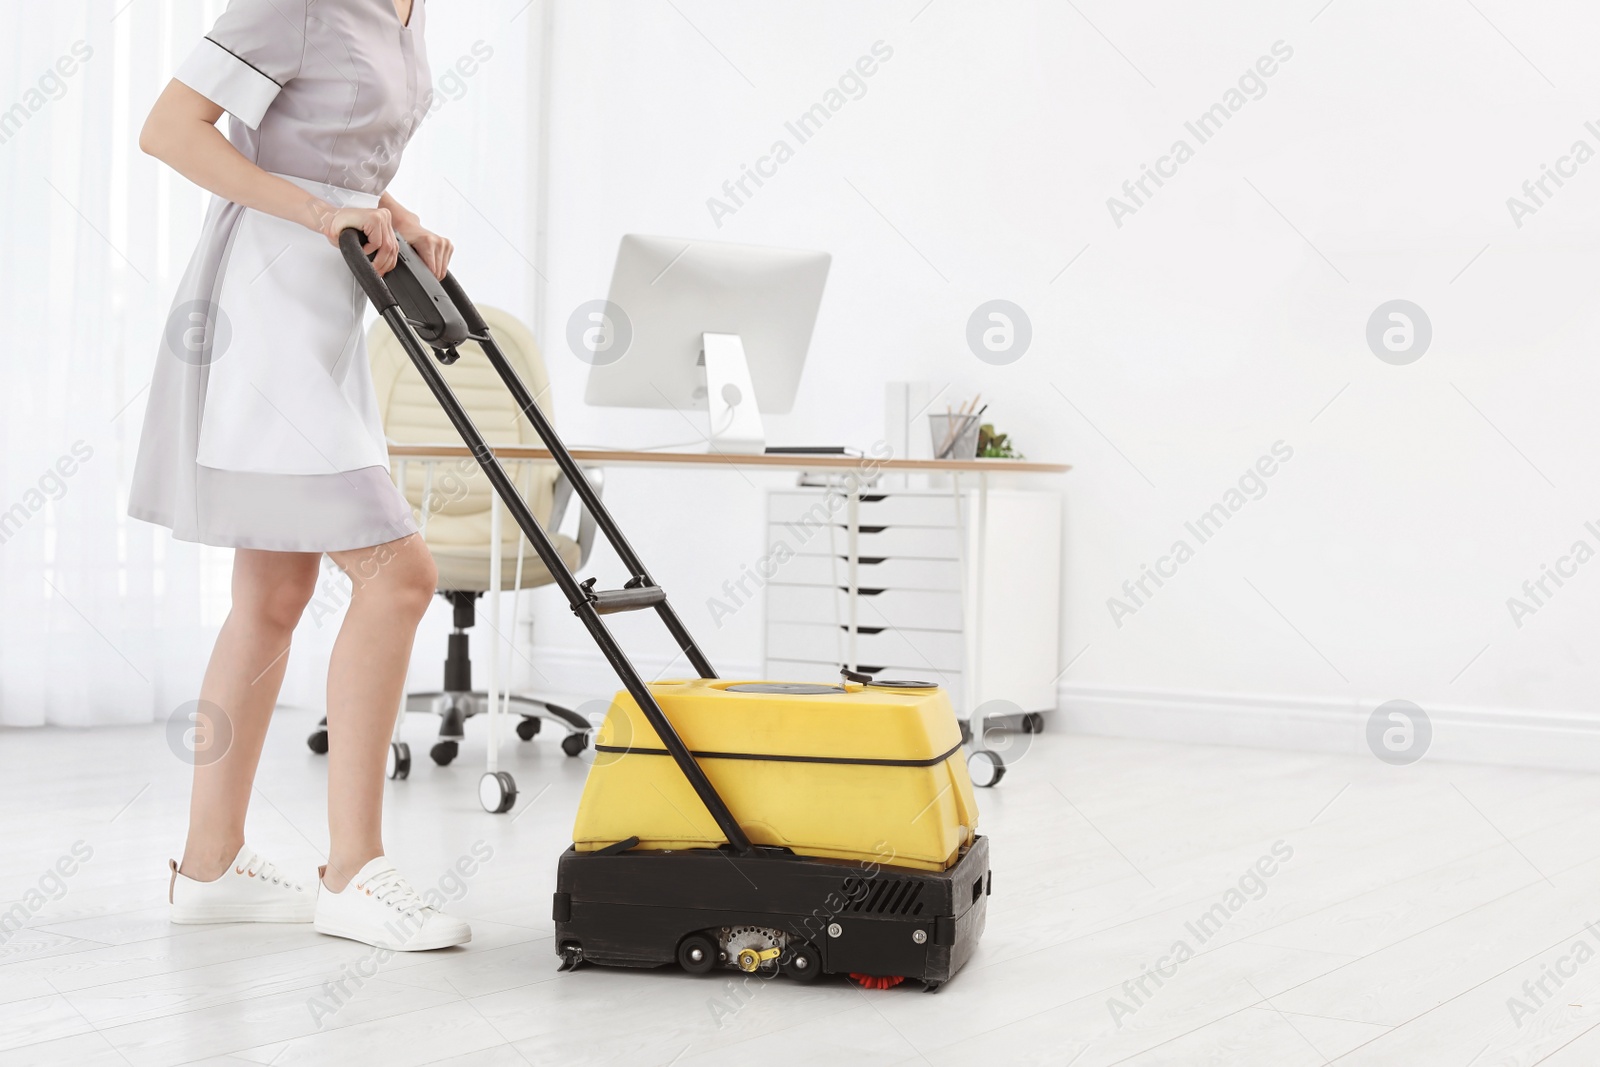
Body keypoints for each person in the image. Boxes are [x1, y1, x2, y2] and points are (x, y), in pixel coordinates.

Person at [130, 0, 468, 951]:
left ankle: (209, 866)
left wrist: (394, 211)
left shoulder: (407, 11)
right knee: (399, 572)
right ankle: (356, 870)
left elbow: (329, 148)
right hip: (264, 309)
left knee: (274, 593)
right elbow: (170, 129)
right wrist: (326, 211)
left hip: (331, 306)